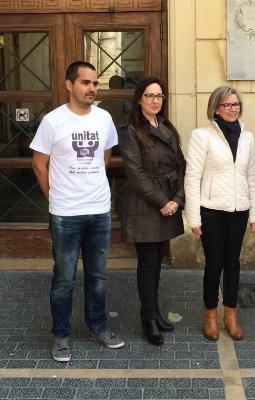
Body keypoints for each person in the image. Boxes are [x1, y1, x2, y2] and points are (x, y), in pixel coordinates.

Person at [30, 61, 124, 362]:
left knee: (98, 276)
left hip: (99, 210)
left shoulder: (104, 118)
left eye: (95, 83)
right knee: (64, 278)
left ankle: (97, 326)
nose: (92, 89)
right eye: (85, 83)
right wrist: (54, 197)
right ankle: (60, 335)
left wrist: (90, 183)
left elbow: (105, 156)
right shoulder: (53, 121)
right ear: (69, 85)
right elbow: (38, 163)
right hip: (65, 214)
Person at [184, 85, 255, 341]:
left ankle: (230, 314)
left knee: (233, 263)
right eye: (227, 105)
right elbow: (192, 177)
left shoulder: (247, 137)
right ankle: (210, 315)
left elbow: (252, 175)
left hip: (239, 210)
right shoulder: (201, 135)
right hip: (211, 210)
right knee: (214, 263)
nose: (233, 109)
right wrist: (193, 217)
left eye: (236, 104)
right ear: (216, 108)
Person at [118, 77, 185, 346]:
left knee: (157, 261)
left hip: (169, 200)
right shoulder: (130, 130)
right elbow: (134, 173)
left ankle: (155, 313)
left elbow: (182, 165)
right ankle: (148, 319)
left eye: (159, 96)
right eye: (149, 96)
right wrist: (163, 202)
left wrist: (178, 198)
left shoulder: (167, 126)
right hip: (146, 204)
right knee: (147, 263)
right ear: (139, 99)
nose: (155, 100)